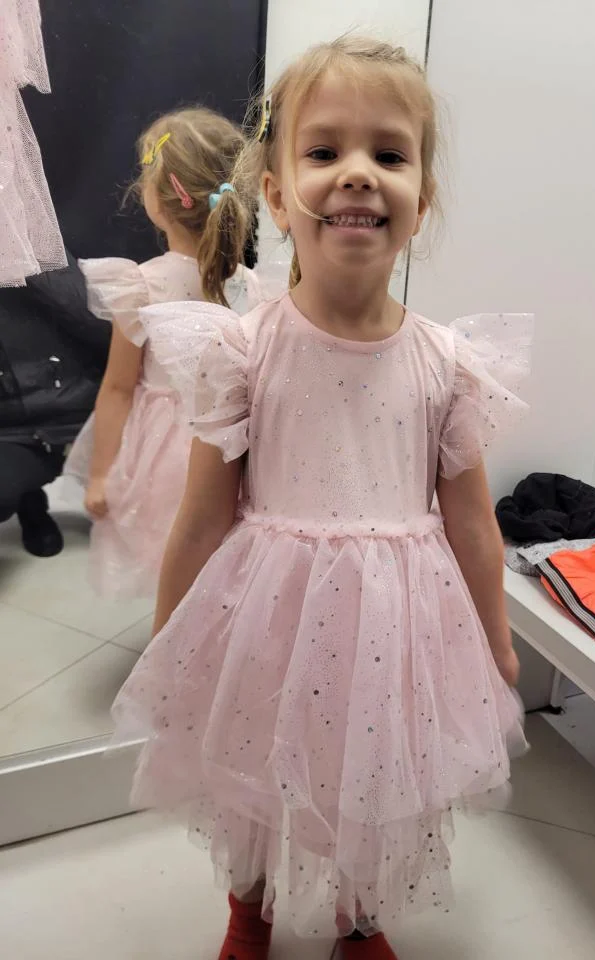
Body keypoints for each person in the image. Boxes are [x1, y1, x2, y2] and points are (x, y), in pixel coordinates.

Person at [112, 37, 532, 960]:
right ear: (274, 194)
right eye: (323, 150)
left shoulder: (448, 363)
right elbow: (201, 516)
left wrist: (496, 639)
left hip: (399, 625)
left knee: (376, 781)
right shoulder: (241, 350)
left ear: (421, 200)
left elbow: (472, 521)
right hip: (271, 615)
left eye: (388, 153)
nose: (357, 172)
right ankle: (249, 906)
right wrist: (171, 636)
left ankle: (360, 916)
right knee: (257, 770)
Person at [63, 107, 262, 597]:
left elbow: (118, 387)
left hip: (163, 462)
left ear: (160, 199)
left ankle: (176, 631)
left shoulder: (142, 287)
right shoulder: (257, 288)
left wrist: (101, 474)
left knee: (176, 563)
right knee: (213, 567)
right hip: (229, 458)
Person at [0, 249, 110, 557]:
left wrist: (30, 263)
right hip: (11, 426)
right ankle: (30, 502)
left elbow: (98, 321)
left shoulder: (34, 242)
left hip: (79, 403)